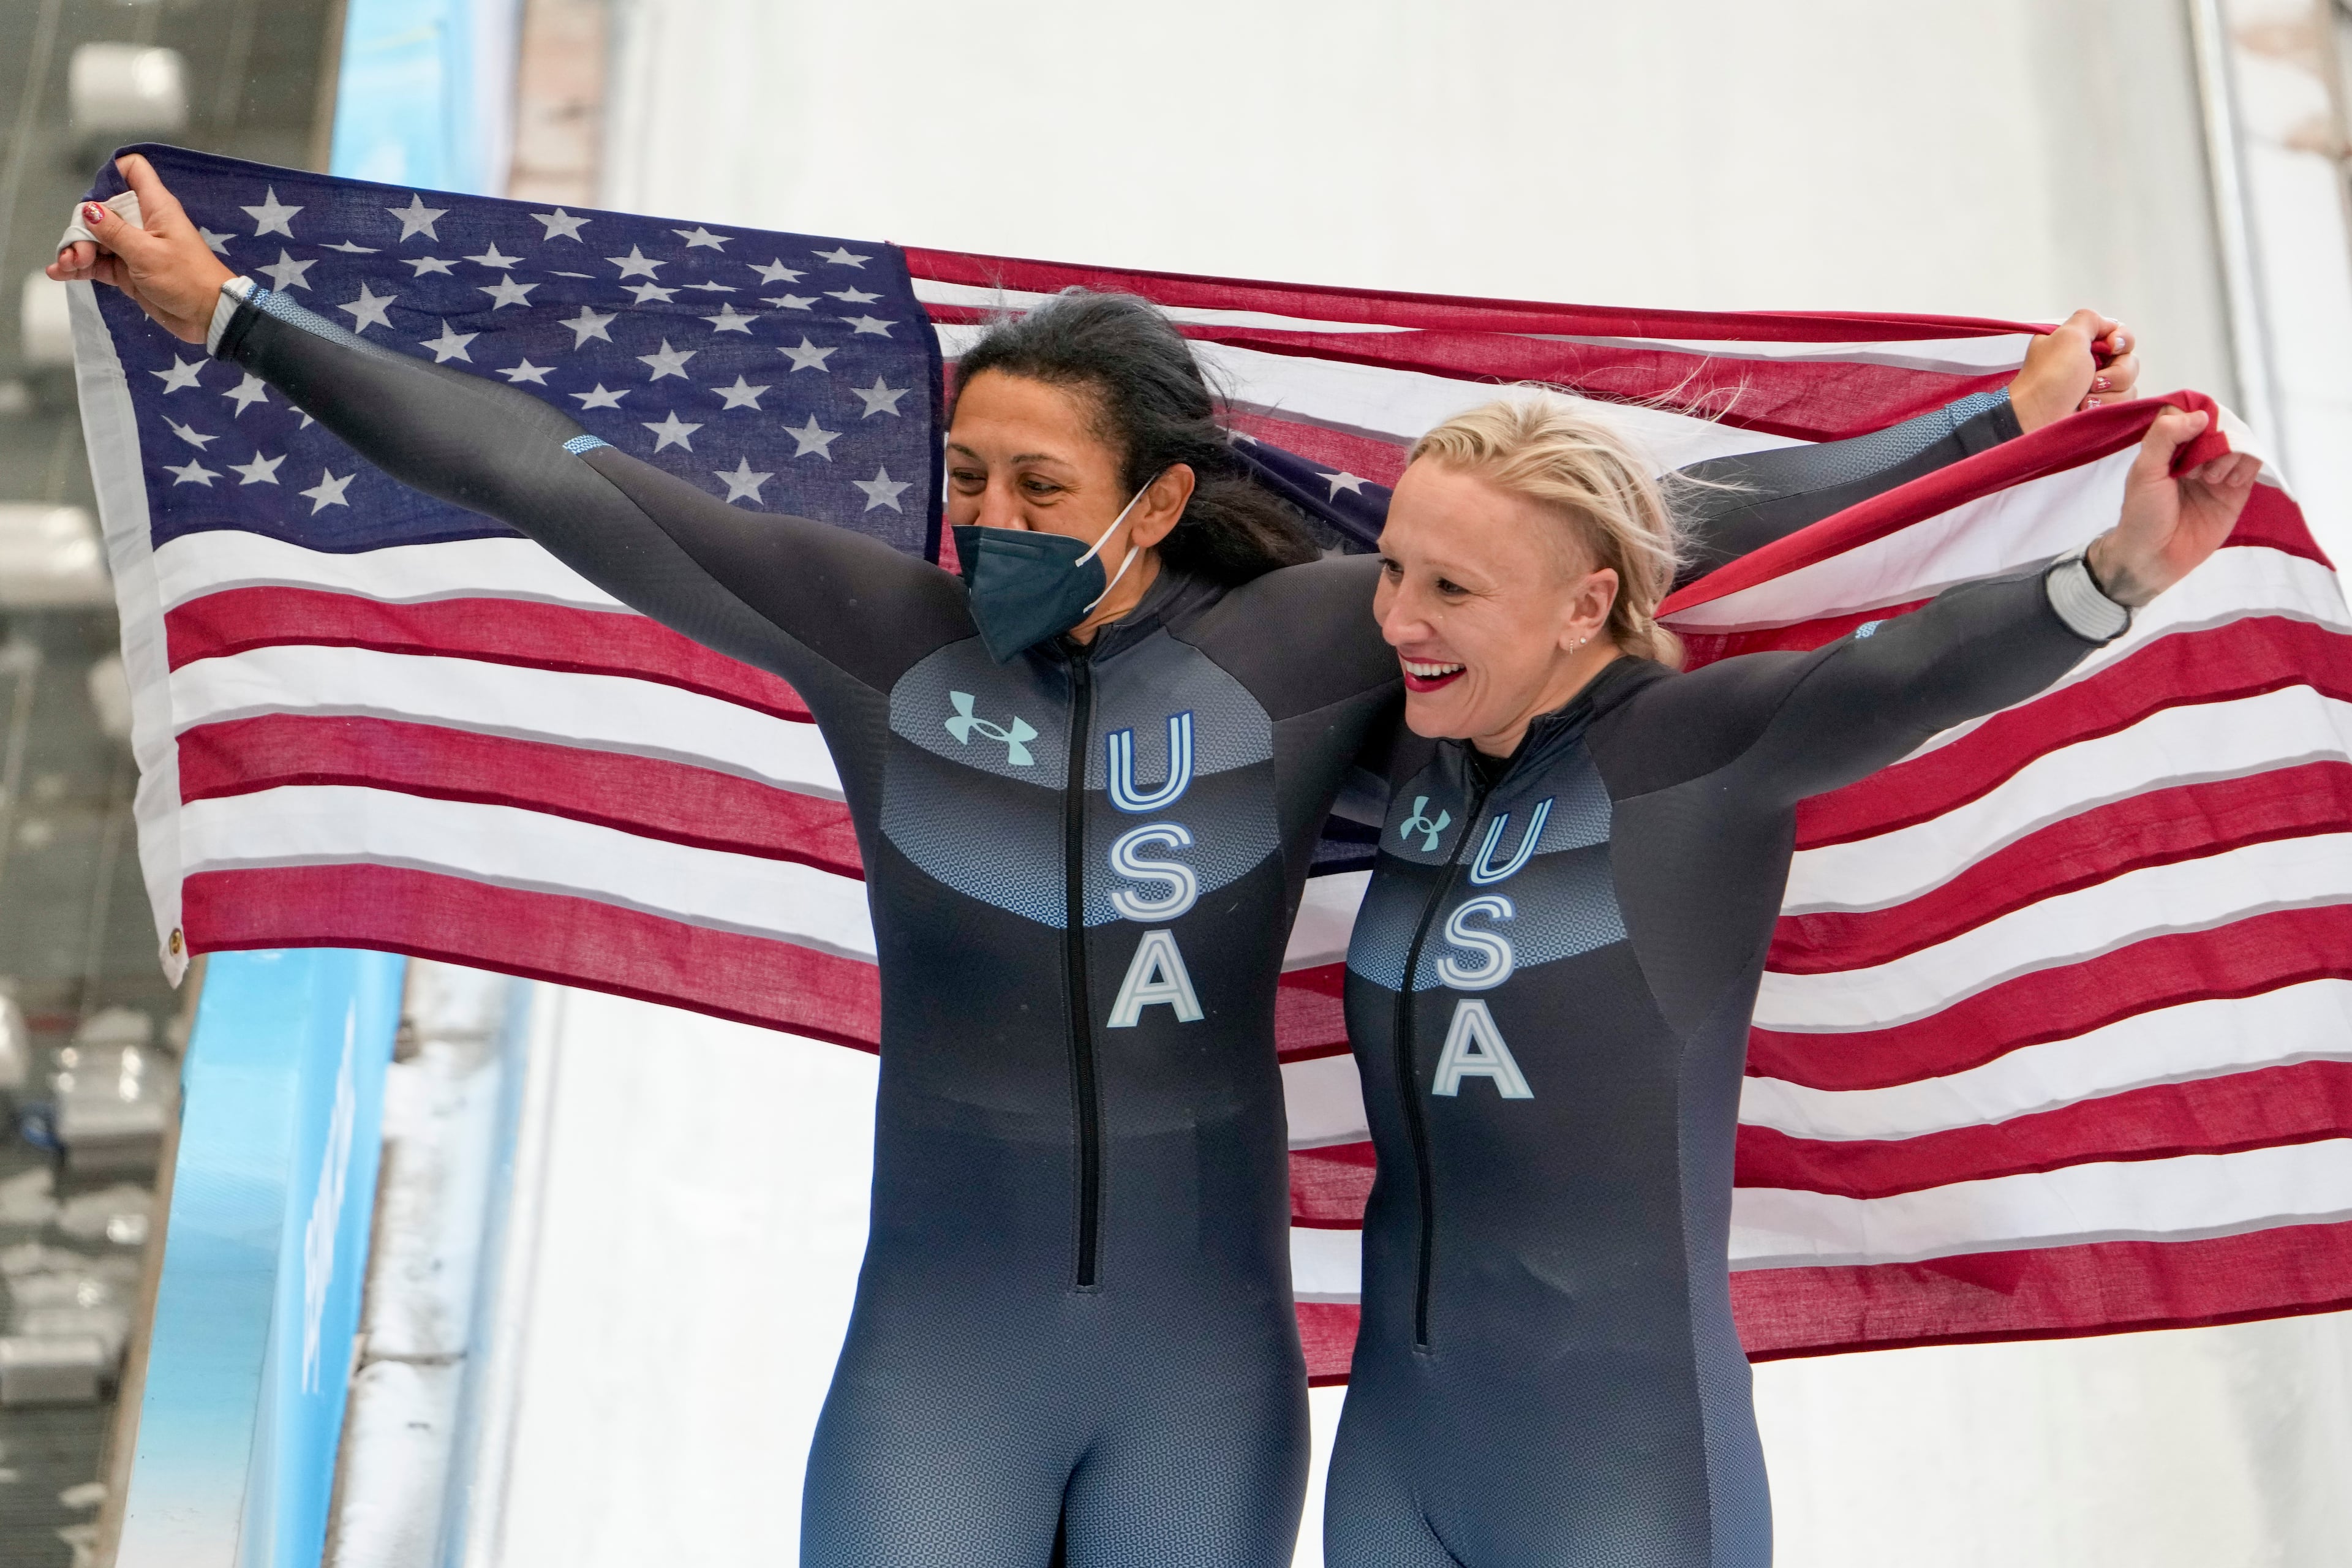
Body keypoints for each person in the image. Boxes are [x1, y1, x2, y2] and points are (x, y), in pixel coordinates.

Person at [55, 153, 2137, 1567]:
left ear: (1160, 500)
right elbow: (532, 466)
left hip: (1202, 1381)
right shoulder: (873, 643)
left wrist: (1980, 436)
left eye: (1039, 484)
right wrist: (227, 313)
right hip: (934, 1369)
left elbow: (1669, 523)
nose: (987, 523)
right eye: (965, 477)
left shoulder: (1318, 641)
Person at [1324, 391, 2257, 1567]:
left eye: (1451, 589)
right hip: (1393, 1460)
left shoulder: (1691, 752)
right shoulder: (1416, 760)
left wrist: (2113, 571)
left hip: (1621, 1467)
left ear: (1587, 605)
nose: (1399, 616)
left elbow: (1907, 674)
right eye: (1393, 569)